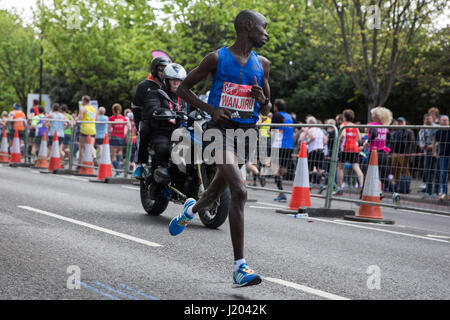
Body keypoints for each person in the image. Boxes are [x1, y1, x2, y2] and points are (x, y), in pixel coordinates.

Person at [172, 9, 271, 287]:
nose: (267, 33)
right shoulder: (216, 58)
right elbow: (182, 89)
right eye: (264, 27)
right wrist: (210, 109)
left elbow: (268, 105)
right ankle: (240, 268)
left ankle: (190, 211)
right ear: (248, 26)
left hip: (247, 132)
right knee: (239, 189)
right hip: (219, 132)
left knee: (217, 190)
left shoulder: (262, 64)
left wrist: (263, 100)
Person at [132, 56, 172, 178]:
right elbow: (135, 106)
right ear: (154, 70)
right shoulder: (144, 85)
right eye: (161, 69)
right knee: (143, 131)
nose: (164, 72)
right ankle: (140, 164)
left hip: (166, 122)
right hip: (148, 120)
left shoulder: (169, 85)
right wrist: (139, 121)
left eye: (166, 69)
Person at [333, 109, 364, 195]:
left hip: (345, 148)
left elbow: (342, 135)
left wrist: (339, 142)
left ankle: (339, 188)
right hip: (354, 148)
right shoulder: (355, 126)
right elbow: (359, 138)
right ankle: (361, 186)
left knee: (340, 168)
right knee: (357, 167)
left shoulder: (344, 125)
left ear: (344, 117)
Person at [364, 106, 392, 192]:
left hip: (374, 152)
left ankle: (366, 194)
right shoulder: (385, 126)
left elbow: (374, 134)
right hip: (383, 153)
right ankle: (381, 191)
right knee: (382, 174)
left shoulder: (371, 125)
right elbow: (389, 138)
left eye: (372, 113)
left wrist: (367, 142)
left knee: (369, 174)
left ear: (376, 116)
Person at [271, 99, 294, 202]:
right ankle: (282, 191)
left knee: (275, 170)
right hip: (289, 146)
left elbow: (272, 130)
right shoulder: (290, 117)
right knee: (282, 169)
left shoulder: (276, 116)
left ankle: (281, 192)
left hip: (279, 145)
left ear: (276, 107)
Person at [302, 115, 327, 188]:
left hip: (313, 150)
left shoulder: (310, 129)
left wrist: (307, 143)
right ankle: (323, 184)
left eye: (307, 123)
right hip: (321, 150)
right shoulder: (320, 130)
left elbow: (313, 136)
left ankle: (309, 184)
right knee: (320, 169)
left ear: (310, 123)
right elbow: (325, 140)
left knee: (310, 168)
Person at [418, 113, 439, 199]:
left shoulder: (437, 128)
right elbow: (420, 140)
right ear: (424, 119)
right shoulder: (422, 129)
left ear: (433, 119)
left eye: (430, 118)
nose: (428, 120)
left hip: (436, 154)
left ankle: (436, 192)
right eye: (427, 118)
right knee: (427, 172)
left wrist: (433, 146)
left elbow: (439, 139)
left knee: (436, 173)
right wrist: (421, 145)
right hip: (427, 153)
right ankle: (429, 191)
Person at [390, 117, 416, 185]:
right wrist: (392, 153)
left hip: (404, 154)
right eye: (399, 122)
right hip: (395, 154)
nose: (400, 123)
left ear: (405, 122)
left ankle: (406, 184)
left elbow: (411, 144)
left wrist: (407, 154)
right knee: (395, 169)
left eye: (401, 122)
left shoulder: (409, 131)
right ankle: (396, 184)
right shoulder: (395, 132)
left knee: (405, 170)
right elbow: (392, 143)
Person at [432, 115, 450, 201]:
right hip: (443, 155)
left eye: (446, 120)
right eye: (443, 120)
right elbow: (434, 142)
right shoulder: (438, 132)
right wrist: (434, 152)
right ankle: (445, 192)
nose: (445, 122)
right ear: (440, 122)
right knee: (443, 174)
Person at [109, 103, 129, 177]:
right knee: (119, 153)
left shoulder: (111, 118)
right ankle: (119, 168)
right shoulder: (124, 118)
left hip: (114, 137)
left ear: (113, 110)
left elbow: (109, 129)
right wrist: (124, 135)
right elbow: (126, 128)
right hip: (121, 138)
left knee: (113, 156)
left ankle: (117, 171)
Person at [78, 96, 97, 167]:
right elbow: (96, 119)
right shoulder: (94, 109)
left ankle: (80, 164)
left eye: (82, 101)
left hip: (84, 129)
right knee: (91, 146)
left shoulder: (83, 108)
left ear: (84, 101)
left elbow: (80, 117)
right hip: (92, 129)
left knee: (81, 147)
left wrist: (75, 120)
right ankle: (94, 157)